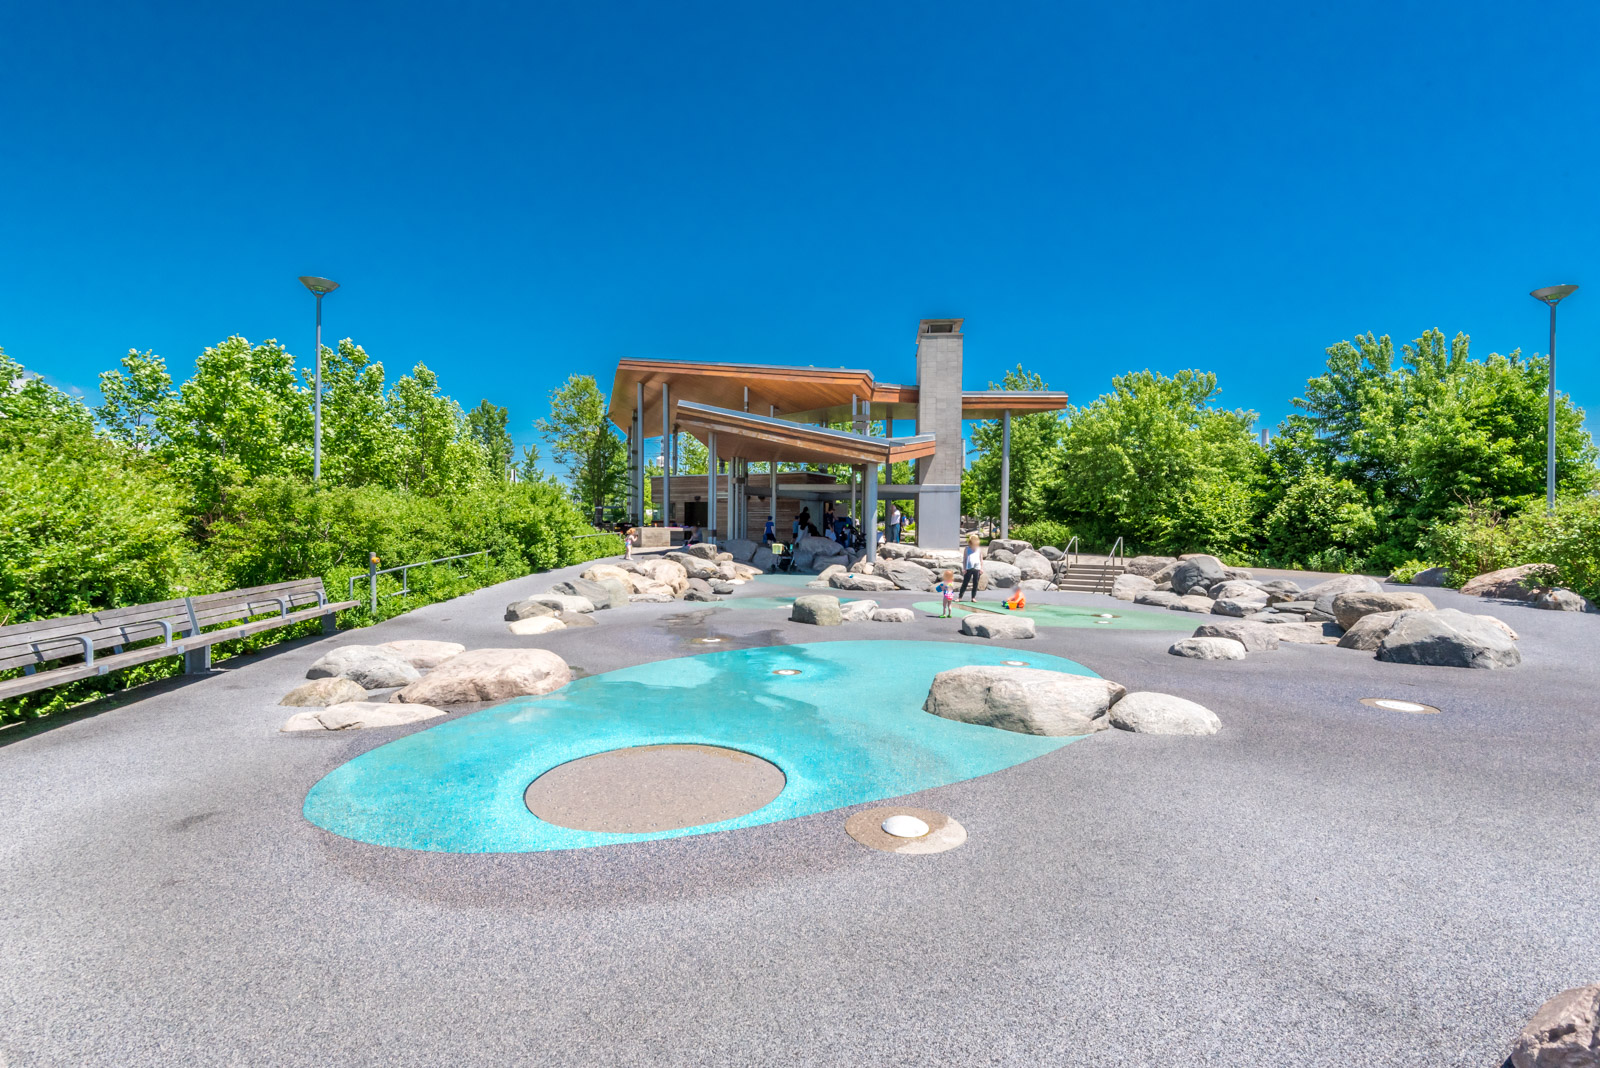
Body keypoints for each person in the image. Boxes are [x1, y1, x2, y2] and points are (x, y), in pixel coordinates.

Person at [958, 533, 983, 601]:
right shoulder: (967, 548)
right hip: (968, 568)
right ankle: (960, 597)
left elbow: (981, 559)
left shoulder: (979, 549)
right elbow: (965, 559)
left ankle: (973, 597)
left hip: (977, 568)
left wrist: (981, 568)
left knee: (975, 583)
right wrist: (964, 568)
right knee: (965, 583)